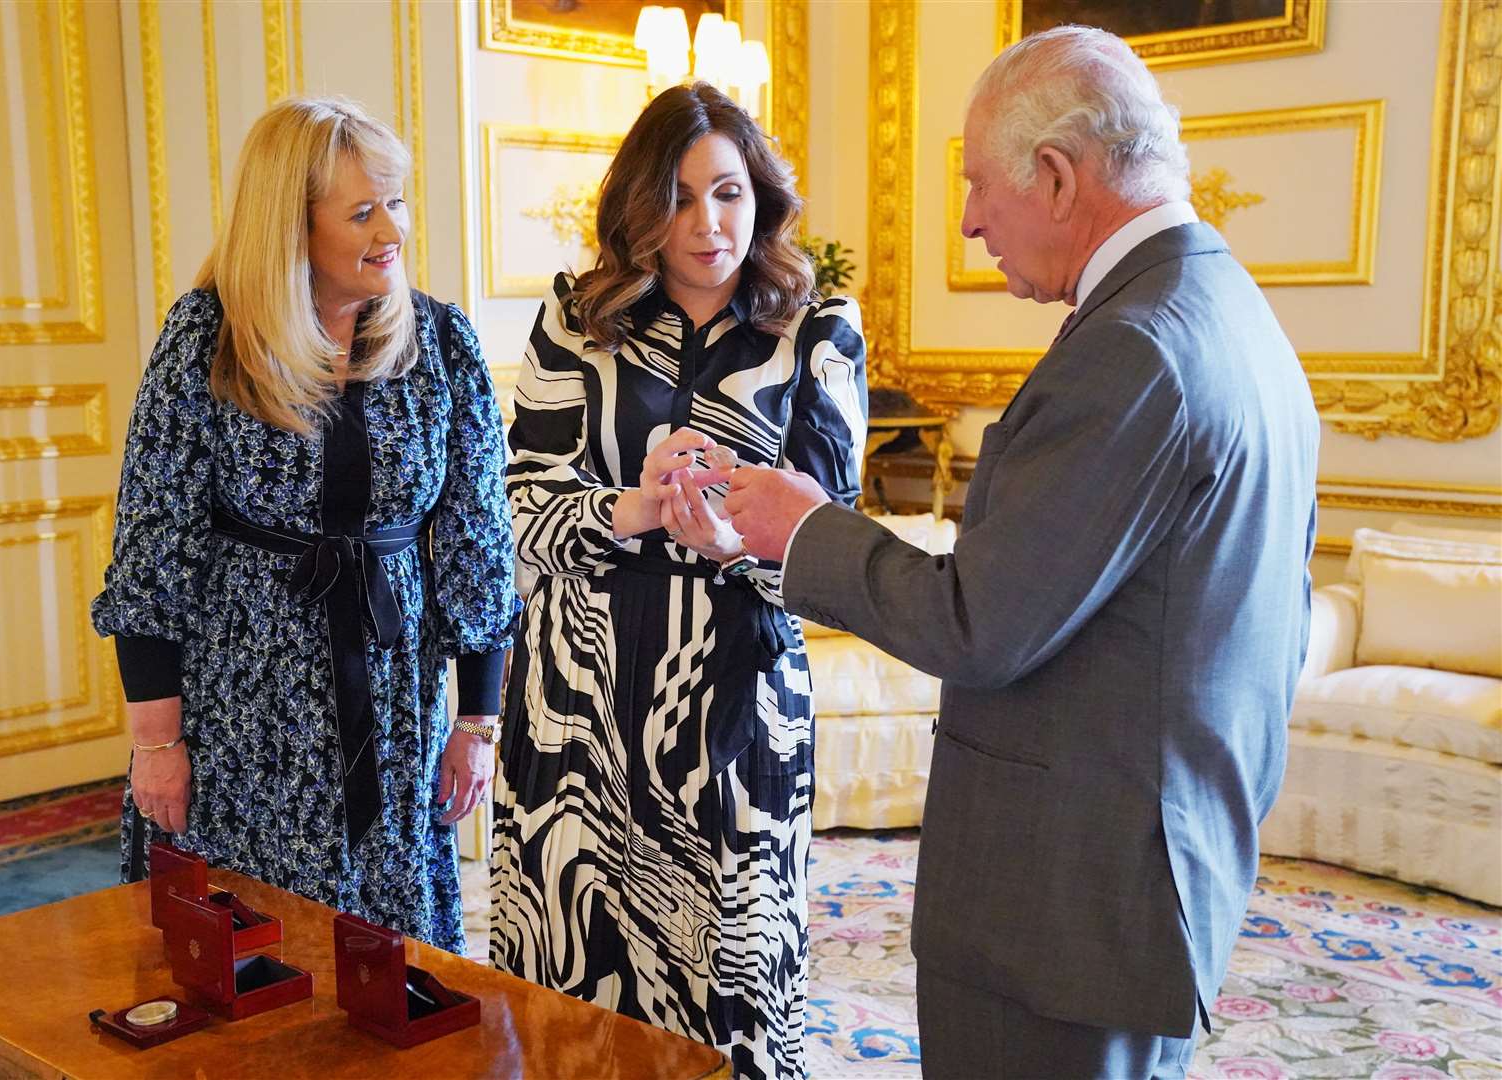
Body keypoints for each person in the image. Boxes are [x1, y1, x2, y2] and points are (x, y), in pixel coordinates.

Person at [725, 26, 1318, 1079]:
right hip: (1141, 871)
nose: (967, 220)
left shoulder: (1135, 347)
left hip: (1066, 907)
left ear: (1054, 176)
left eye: (976, 185)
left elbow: (981, 620)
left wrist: (801, 526)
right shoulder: (1228, 308)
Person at [490, 82, 866, 1078]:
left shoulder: (819, 328)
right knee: (571, 991)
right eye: (682, 197)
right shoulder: (575, 318)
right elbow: (521, 516)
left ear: (763, 200)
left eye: (731, 193)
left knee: (730, 999)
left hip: (731, 718)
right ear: (639, 208)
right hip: (576, 715)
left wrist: (737, 547)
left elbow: (833, 547)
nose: (710, 223)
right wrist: (641, 508)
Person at [91, 97, 515, 952]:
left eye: (394, 200)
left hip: (396, 704)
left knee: (393, 970)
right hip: (244, 714)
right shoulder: (207, 338)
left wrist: (476, 720)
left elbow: (478, 540)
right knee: (244, 964)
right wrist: (156, 744)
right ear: (290, 225)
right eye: (361, 211)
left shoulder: (440, 339)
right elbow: (151, 555)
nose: (391, 227)